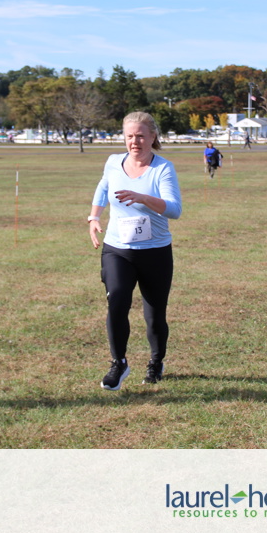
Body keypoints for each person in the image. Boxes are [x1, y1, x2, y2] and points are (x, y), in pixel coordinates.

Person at [88, 111, 182, 390]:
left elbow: (175, 209)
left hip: (155, 251)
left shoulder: (162, 169)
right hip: (117, 248)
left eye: (140, 136)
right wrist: (94, 217)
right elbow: (103, 188)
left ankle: (156, 362)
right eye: (129, 136)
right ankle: (118, 363)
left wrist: (143, 197)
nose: (134, 141)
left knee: (154, 316)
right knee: (117, 300)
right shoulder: (113, 162)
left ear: (153, 137)